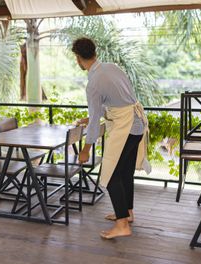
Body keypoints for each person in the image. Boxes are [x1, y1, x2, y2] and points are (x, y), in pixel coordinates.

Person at [72, 37, 150, 239]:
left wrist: (85, 150)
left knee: (110, 174)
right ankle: (127, 213)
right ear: (94, 52)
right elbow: (119, 102)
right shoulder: (111, 67)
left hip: (126, 129)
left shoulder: (93, 83)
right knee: (124, 173)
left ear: (78, 58)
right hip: (137, 125)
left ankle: (122, 225)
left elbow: (95, 123)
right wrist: (91, 117)